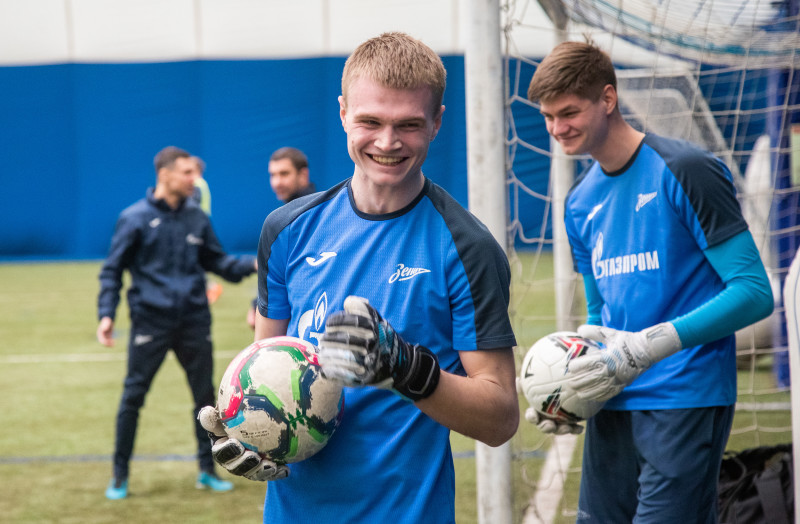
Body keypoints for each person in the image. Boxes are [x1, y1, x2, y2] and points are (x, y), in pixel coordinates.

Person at [198, 32, 519, 523]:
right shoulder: (286, 230)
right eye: (370, 121)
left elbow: (499, 419)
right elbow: (264, 367)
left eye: (409, 124)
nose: (387, 142)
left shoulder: (466, 247)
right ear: (344, 112)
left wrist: (408, 370)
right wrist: (246, 432)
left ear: (437, 122)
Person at [525, 40, 774, 522]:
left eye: (569, 112)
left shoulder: (687, 170)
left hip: (684, 396)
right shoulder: (578, 203)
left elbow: (753, 292)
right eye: (548, 117)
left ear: (608, 99)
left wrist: (648, 346)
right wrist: (565, 393)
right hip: (613, 398)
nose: (557, 128)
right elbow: (598, 321)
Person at [97, 145, 258, 500]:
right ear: (165, 174)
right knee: (132, 398)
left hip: (193, 322)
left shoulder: (197, 217)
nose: (193, 180)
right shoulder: (134, 218)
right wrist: (106, 314)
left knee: (206, 404)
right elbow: (112, 271)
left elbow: (219, 263)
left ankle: (207, 471)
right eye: (187, 173)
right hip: (150, 324)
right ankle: (120, 475)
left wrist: (254, 264)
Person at [245, 146, 317, 329]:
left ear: (303, 175)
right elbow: (280, 274)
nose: (277, 182)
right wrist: (257, 304)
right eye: (273, 175)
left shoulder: (313, 216)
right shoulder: (286, 216)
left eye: (284, 174)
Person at [188, 155, 224, 303]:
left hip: (196, 226)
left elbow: (192, 203)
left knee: (195, 258)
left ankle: (210, 287)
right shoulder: (203, 183)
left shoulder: (196, 183)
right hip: (201, 224)